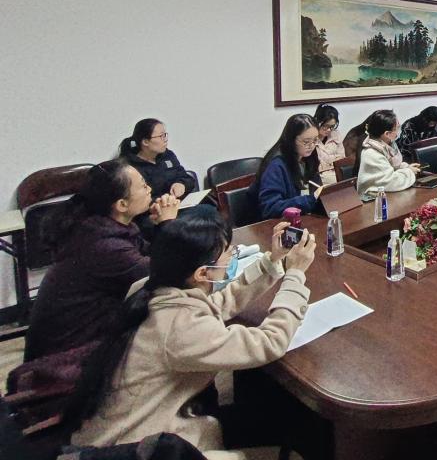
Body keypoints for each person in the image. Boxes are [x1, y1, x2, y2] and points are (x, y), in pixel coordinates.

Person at [67, 216, 316, 457]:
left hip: (132, 425)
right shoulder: (181, 328)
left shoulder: (150, 289)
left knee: (264, 416)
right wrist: (295, 276)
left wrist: (273, 260)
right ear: (202, 273)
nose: (233, 254)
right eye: (228, 252)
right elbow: (269, 342)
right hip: (139, 446)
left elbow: (218, 303)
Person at [25, 160, 179, 361]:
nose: (149, 189)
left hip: (87, 337)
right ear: (122, 205)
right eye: (143, 186)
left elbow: (152, 257)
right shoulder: (104, 245)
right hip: (66, 356)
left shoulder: (102, 227)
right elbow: (166, 273)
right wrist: (168, 225)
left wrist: (160, 227)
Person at [248, 114, 322, 219]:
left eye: (315, 140)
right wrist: (310, 199)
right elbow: (271, 208)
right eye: (306, 142)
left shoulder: (309, 157)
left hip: (300, 217)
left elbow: (316, 188)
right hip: (270, 224)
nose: (312, 146)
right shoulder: (276, 165)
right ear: (291, 140)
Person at [118, 119, 195, 199]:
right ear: (145, 142)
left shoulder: (168, 155)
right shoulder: (130, 168)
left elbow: (187, 178)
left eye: (165, 135)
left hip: (178, 203)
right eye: (161, 136)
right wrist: (162, 202)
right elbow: (135, 200)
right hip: (156, 206)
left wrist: (182, 184)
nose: (165, 139)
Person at [355, 110, 418, 197]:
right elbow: (391, 181)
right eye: (397, 128)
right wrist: (410, 172)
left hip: (389, 194)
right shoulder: (371, 153)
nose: (399, 131)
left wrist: (406, 167)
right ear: (387, 134)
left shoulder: (387, 143)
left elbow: (393, 166)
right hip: (374, 199)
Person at [312, 104, 345, 184]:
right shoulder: (311, 138)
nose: (329, 130)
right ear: (317, 121)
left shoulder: (336, 134)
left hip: (338, 173)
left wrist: (324, 164)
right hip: (319, 178)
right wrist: (334, 160)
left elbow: (342, 159)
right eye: (325, 126)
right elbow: (314, 167)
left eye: (332, 126)